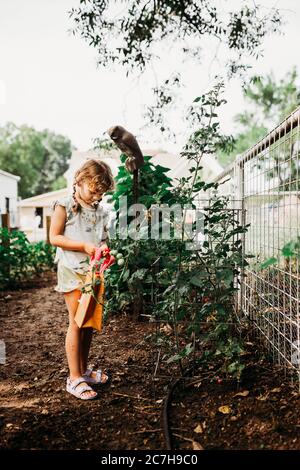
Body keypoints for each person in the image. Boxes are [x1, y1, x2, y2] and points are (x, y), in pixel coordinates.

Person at [49, 158, 115, 400]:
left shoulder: (100, 212)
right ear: (79, 180)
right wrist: (83, 246)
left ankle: (84, 371)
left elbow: (102, 240)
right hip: (71, 270)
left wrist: (105, 252)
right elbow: (54, 237)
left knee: (88, 322)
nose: (97, 197)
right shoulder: (64, 205)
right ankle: (74, 378)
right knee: (76, 322)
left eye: (101, 193)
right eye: (93, 191)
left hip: (92, 272)